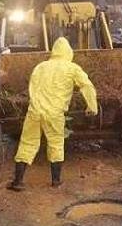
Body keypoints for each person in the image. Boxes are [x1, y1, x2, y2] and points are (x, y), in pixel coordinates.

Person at [8, 37, 98, 191]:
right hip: (54, 114)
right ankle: (56, 182)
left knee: (27, 143)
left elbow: (33, 88)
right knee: (55, 144)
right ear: (68, 52)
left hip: (34, 111)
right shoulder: (72, 68)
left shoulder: (40, 67)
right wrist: (92, 106)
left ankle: (18, 181)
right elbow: (87, 86)